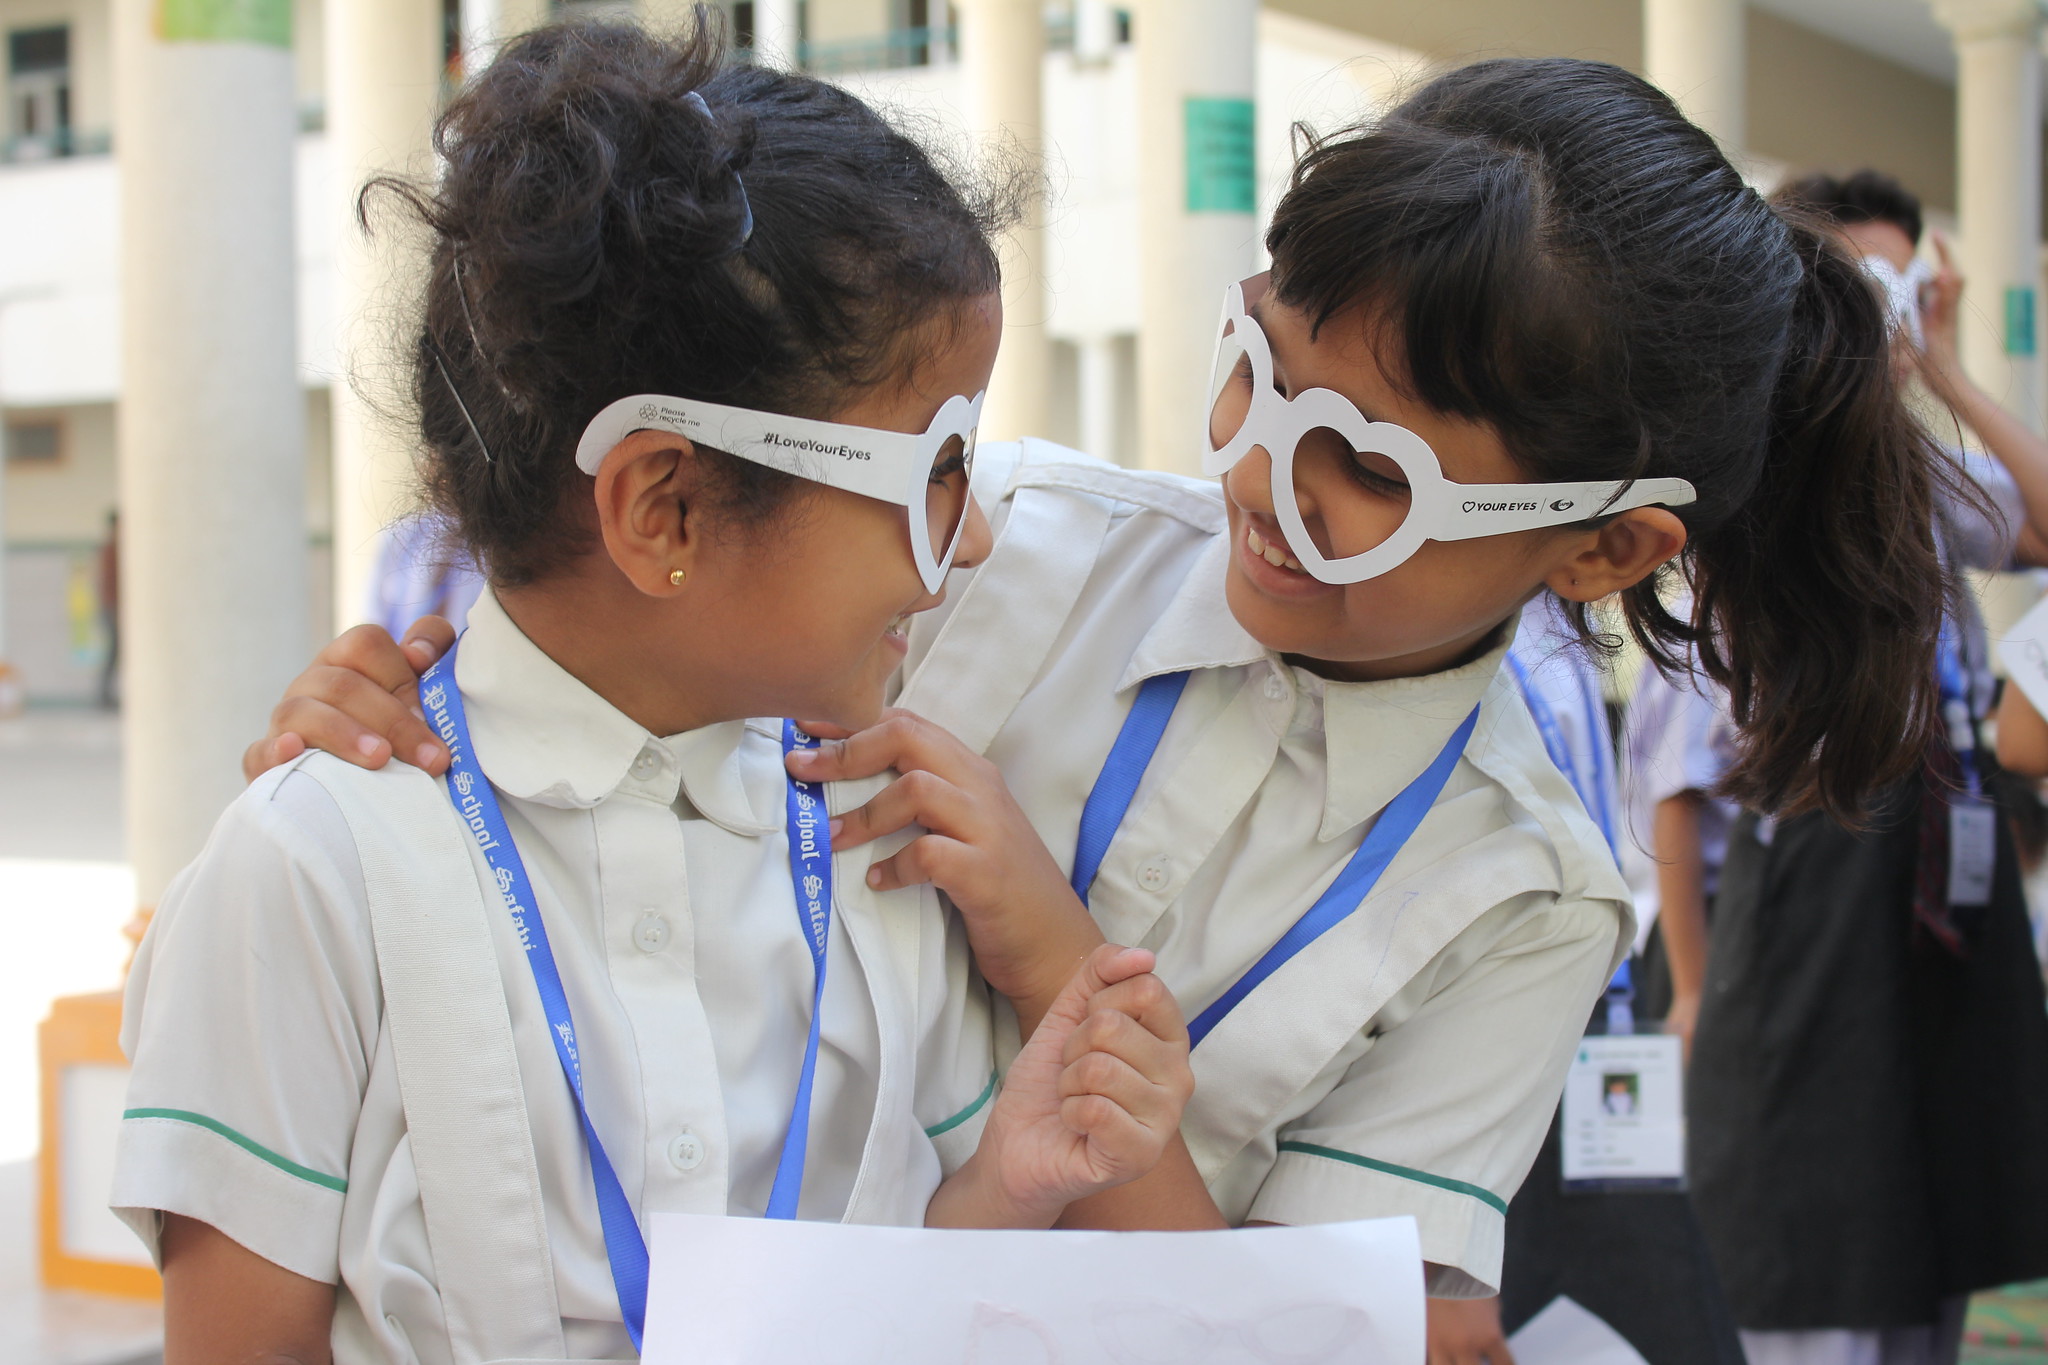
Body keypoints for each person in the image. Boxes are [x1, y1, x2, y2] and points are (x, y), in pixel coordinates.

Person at [249, 57, 1964, 1311]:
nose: (1252, 481)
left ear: (1595, 551)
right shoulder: (996, 537)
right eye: (1253, 375)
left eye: (1358, 470)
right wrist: (419, 716)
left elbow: (1334, 1337)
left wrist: (1050, 951)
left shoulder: (1517, 893)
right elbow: (627, 669)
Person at [113, 24, 1194, 1364]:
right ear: (666, 507)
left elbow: (895, 1299)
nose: (968, 540)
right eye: (937, 469)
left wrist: (1018, 1180)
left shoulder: (881, 846)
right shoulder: (313, 873)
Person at [1686, 170, 2048, 1365]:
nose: (1875, 311)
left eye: (1892, 283)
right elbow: (1676, 779)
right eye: (1855, 283)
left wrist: (1938, 366)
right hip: (1809, 875)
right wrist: (1689, 990)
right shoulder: (1742, 471)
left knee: (1945, 1194)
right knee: (1820, 1211)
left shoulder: (1912, 470)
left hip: (1943, 852)